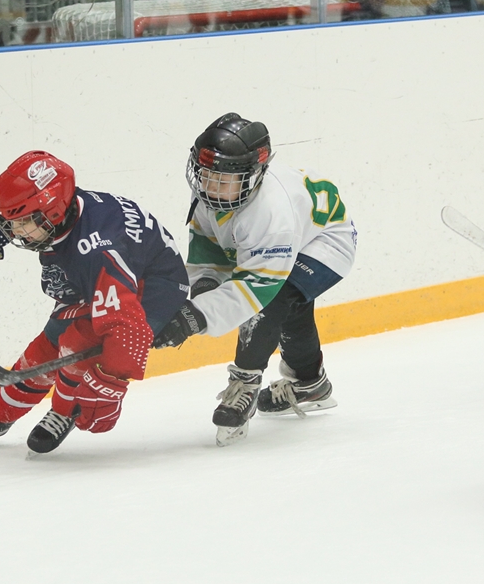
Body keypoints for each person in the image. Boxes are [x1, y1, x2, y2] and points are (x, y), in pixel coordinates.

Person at [0, 150, 191, 454]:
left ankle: (62, 412)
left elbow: (127, 328)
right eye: (10, 224)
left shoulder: (97, 250)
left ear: (53, 212)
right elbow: (10, 213)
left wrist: (111, 384)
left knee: (79, 345)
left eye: (22, 224)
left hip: (150, 288)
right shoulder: (59, 210)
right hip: (95, 278)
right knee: (44, 349)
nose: (14, 232)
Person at [148, 114, 358, 444]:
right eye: (206, 175)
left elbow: (255, 289)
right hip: (297, 233)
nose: (211, 187)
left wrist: (192, 318)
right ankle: (309, 383)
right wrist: (199, 296)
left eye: (223, 179)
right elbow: (210, 255)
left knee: (276, 302)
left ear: (253, 176)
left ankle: (244, 383)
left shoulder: (272, 214)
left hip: (325, 241)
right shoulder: (210, 192)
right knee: (294, 309)